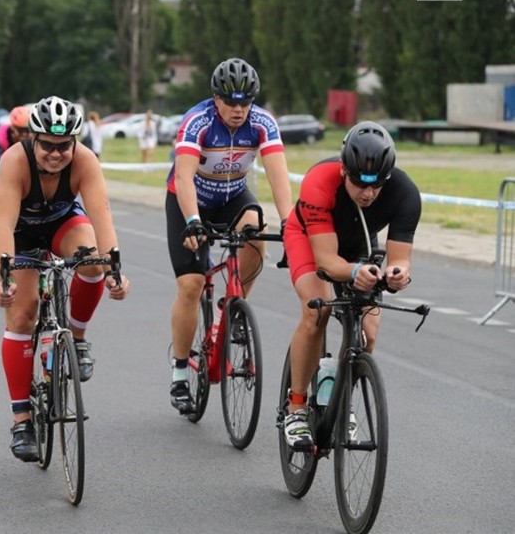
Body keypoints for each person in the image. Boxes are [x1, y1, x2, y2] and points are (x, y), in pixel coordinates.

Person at [0, 95, 130, 462]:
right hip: (21, 234)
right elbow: (3, 223)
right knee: (22, 315)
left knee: (92, 262)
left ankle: (78, 337)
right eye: (48, 146)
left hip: (61, 224)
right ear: (33, 139)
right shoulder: (14, 162)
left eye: (64, 146)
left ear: (75, 142)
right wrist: (4, 276)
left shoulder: (85, 160)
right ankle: (22, 420)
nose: (55, 154)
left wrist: (115, 268)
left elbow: (101, 216)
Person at [165, 57, 293, 414]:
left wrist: (290, 222)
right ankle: (178, 372)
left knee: (255, 227)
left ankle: (233, 308)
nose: (238, 110)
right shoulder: (197, 122)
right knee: (191, 284)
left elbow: (277, 176)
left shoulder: (263, 123)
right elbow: (184, 177)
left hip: (232, 196)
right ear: (215, 98)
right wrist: (192, 220)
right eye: (230, 102)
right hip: (189, 200)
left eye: (245, 102)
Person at [281, 121, 421, 447]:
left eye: (377, 185)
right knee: (317, 311)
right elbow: (328, 262)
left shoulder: (405, 193)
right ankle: (297, 407)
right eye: (359, 183)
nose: (368, 193)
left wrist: (398, 273)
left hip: (359, 244)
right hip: (309, 238)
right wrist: (356, 270)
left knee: (367, 334)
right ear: (344, 169)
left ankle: (338, 386)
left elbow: (400, 258)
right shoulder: (319, 180)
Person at [0, 105, 31, 186]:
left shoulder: (33, 138)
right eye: (20, 130)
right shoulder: (2, 140)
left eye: (27, 130)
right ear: (13, 128)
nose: (24, 134)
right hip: (2, 163)